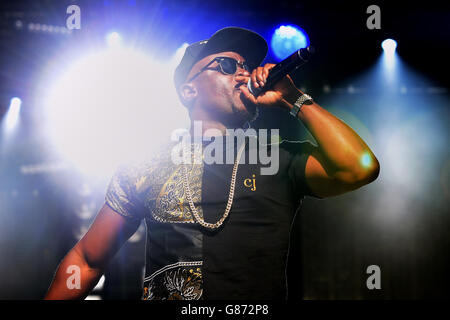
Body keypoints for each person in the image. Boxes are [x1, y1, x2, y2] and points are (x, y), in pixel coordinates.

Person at [44, 27, 379, 300]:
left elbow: (359, 167)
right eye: (228, 66)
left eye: (246, 66)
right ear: (189, 91)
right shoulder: (146, 164)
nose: (244, 73)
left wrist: (294, 99)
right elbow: (86, 260)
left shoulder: (277, 156)